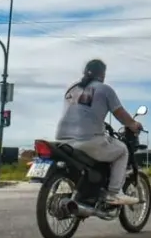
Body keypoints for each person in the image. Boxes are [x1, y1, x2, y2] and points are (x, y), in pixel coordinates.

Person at [55, 58, 143, 206]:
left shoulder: (72, 88)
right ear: (102, 73)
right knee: (122, 150)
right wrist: (134, 124)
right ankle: (113, 193)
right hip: (87, 140)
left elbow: (82, 112)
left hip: (62, 139)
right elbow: (120, 114)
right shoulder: (104, 89)